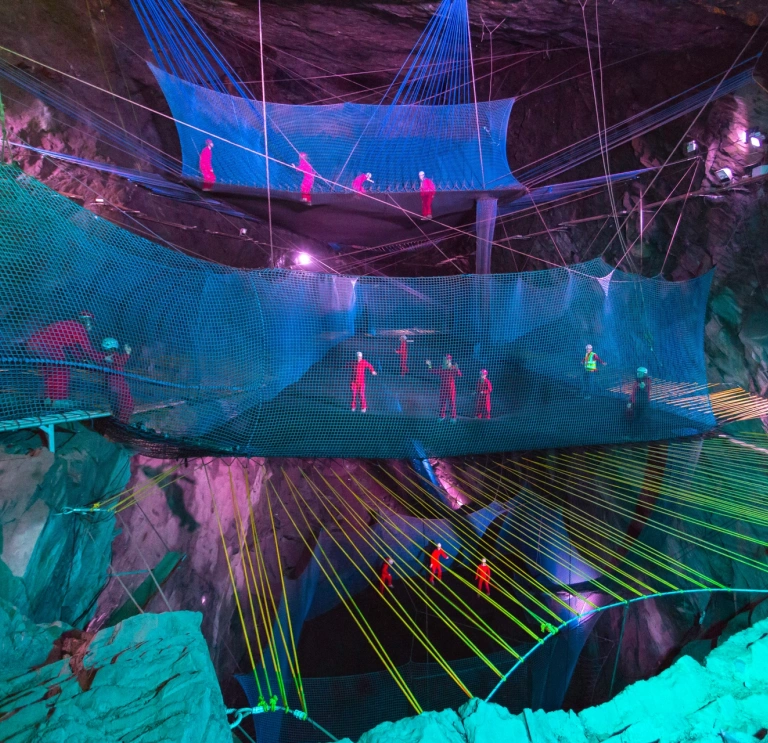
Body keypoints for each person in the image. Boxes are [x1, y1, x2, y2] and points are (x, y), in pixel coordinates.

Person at [27, 311, 103, 405]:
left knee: (49, 373)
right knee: (62, 370)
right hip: (48, 346)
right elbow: (88, 350)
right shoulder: (79, 328)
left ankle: (47, 399)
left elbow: (74, 350)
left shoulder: (70, 325)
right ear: (88, 321)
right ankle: (59, 400)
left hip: (34, 345)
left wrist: (82, 360)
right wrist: (103, 358)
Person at [101, 337, 134, 424]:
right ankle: (122, 423)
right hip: (117, 384)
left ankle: (119, 421)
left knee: (117, 404)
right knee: (126, 404)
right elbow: (120, 361)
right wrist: (127, 353)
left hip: (113, 384)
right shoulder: (113, 356)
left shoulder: (106, 357)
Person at [426, 354, 462, 422]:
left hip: (451, 389)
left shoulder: (453, 368)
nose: (445, 360)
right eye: (445, 359)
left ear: (449, 360)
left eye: (447, 359)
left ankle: (453, 417)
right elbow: (432, 371)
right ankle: (442, 416)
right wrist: (429, 365)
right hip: (443, 388)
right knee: (442, 402)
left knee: (452, 403)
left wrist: (457, 369)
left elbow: (459, 375)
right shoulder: (441, 367)